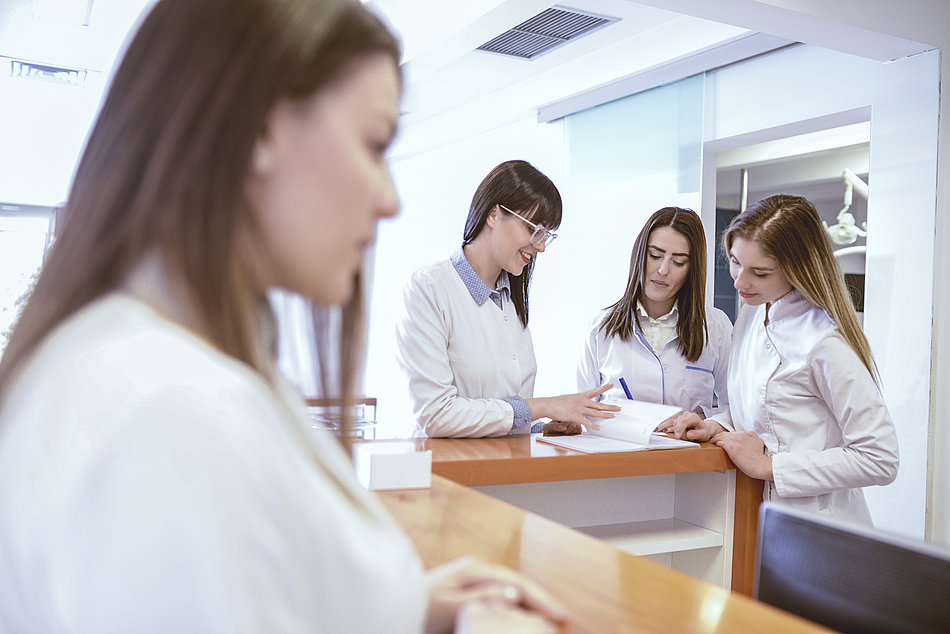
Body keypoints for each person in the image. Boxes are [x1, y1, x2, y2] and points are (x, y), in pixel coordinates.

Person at [0, 1, 565, 631]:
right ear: (264, 130)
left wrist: (399, 605)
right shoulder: (162, 405)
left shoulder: (170, 356)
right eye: (374, 145)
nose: (387, 198)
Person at [670, 194, 898, 526]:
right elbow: (768, 413)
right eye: (734, 261)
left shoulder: (825, 341)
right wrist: (716, 423)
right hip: (755, 514)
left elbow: (880, 459)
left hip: (822, 527)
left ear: (797, 269)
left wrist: (769, 467)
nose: (739, 281)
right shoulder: (752, 315)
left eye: (759, 273)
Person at [395, 160, 620, 438]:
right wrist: (543, 406)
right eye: (534, 230)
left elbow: (503, 413)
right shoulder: (429, 288)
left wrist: (539, 428)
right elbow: (435, 414)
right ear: (493, 215)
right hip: (443, 472)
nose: (540, 247)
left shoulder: (510, 300)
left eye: (546, 235)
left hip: (504, 472)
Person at [577, 207, 731, 420]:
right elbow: (584, 411)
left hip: (688, 451)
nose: (662, 270)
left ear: (692, 269)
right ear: (640, 254)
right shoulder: (601, 327)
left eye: (678, 262)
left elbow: (736, 408)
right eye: (655, 256)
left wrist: (705, 421)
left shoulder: (715, 326)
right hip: (621, 451)